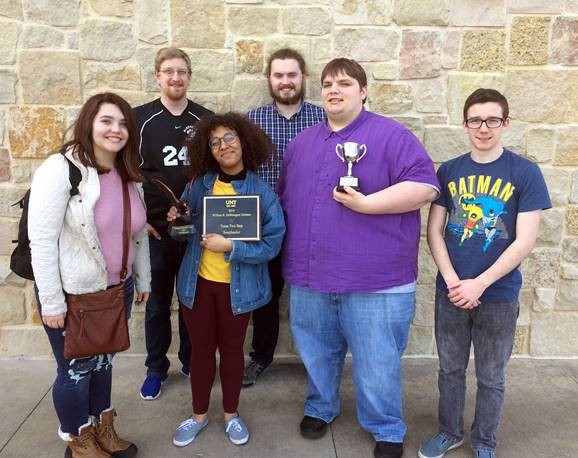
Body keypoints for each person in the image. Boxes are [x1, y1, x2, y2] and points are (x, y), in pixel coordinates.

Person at [277, 58, 439, 458]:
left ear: (363, 91)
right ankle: (321, 407)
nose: (334, 90)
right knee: (316, 353)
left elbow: (425, 187)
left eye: (345, 83)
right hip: (311, 276)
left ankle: (386, 428)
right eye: (328, 84)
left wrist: (368, 206)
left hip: (376, 281)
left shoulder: (392, 137)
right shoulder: (301, 144)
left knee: (377, 362)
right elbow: (282, 200)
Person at [419, 89, 551, 458]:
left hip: (498, 294)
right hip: (452, 292)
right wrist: (451, 279)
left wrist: (480, 282)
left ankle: (484, 441)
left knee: (491, 377)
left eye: (492, 120)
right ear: (465, 124)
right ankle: (449, 432)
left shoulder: (525, 172)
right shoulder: (449, 171)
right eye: (475, 120)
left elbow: (524, 241)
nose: (484, 127)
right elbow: (434, 231)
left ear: (505, 124)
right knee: (450, 370)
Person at [29, 92, 151, 458]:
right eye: (107, 121)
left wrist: (141, 280)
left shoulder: (128, 173)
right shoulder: (61, 169)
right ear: (89, 124)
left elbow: (137, 232)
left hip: (117, 290)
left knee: (104, 363)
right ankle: (78, 440)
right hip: (75, 295)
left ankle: (103, 428)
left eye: (123, 123)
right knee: (75, 371)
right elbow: (42, 241)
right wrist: (51, 302)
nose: (116, 129)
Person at [169, 113, 285, 447]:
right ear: (209, 149)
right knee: (201, 351)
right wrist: (178, 221)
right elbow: (182, 235)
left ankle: (232, 415)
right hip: (198, 284)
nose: (224, 146)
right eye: (215, 141)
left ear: (244, 142)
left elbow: (272, 244)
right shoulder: (197, 185)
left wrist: (232, 246)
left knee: (233, 352)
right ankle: (199, 416)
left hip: (239, 288)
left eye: (230, 137)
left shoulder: (262, 192)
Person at [135, 47, 213, 400]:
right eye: (169, 71)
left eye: (182, 71)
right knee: (157, 303)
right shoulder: (139, 120)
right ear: (157, 76)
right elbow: (128, 178)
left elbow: (214, 174)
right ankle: (156, 368)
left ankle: (191, 360)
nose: (176, 77)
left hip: (195, 228)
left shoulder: (207, 120)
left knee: (191, 299)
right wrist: (141, 222)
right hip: (156, 230)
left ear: (190, 76)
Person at [243, 47, 324, 387]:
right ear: (269, 80)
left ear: (304, 77)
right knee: (266, 296)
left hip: (314, 225)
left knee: (316, 296)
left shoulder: (324, 118)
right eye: (279, 75)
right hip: (267, 225)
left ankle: (319, 359)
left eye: (292, 75)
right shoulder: (251, 121)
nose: (286, 81)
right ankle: (261, 357)